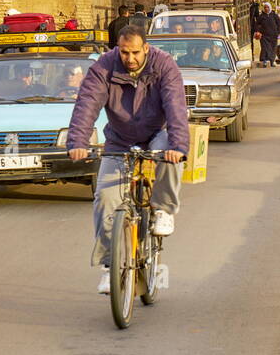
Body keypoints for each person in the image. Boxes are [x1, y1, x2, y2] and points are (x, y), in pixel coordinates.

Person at [67, 25, 189, 295]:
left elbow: (176, 105)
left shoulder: (164, 65)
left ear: (145, 48)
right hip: (119, 140)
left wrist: (179, 145)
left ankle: (164, 209)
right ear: (117, 49)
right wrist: (77, 142)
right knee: (105, 199)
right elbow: (87, 103)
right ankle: (110, 267)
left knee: (169, 151)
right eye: (124, 52)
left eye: (135, 52)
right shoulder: (104, 67)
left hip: (157, 133)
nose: (130, 58)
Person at [255, 1, 280, 67]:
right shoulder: (262, 16)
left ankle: (271, 61)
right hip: (264, 36)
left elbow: (279, 24)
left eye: (267, 7)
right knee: (265, 48)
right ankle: (263, 61)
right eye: (265, 7)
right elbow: (257, 24)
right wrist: (258, 31)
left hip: (273, 36)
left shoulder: (274, 15)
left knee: (273, 49)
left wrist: (278, 32)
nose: (266, 8)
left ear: (270, 8)